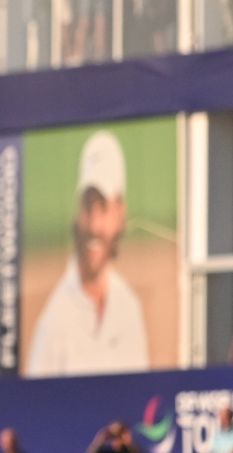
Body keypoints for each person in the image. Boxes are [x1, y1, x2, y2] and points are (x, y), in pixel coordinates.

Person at [25, 130, 151, 375]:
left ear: (120, 213)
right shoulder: (53, 323)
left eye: (102, 208)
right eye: (87, 206)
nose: (93, 225)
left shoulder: (128, 307)